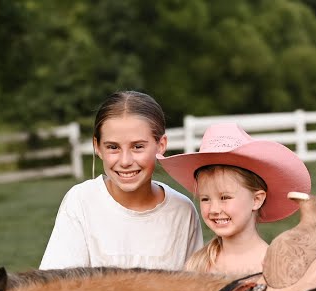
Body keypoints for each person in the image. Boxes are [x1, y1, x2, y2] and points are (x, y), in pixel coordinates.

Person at [38, 91, 202, 270]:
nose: (125, 161)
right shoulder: (81, 202)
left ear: (160, 145)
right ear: (97, 147)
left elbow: (193, 288)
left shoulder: (182, 211)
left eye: (138, 147)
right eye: (113, 147)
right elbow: (58, 284)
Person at [159, 123, 311, 276]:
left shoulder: (276, 267)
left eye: (225, 197)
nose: (214, 209)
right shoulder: (197, 266)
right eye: (205, 199)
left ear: (256, 200)